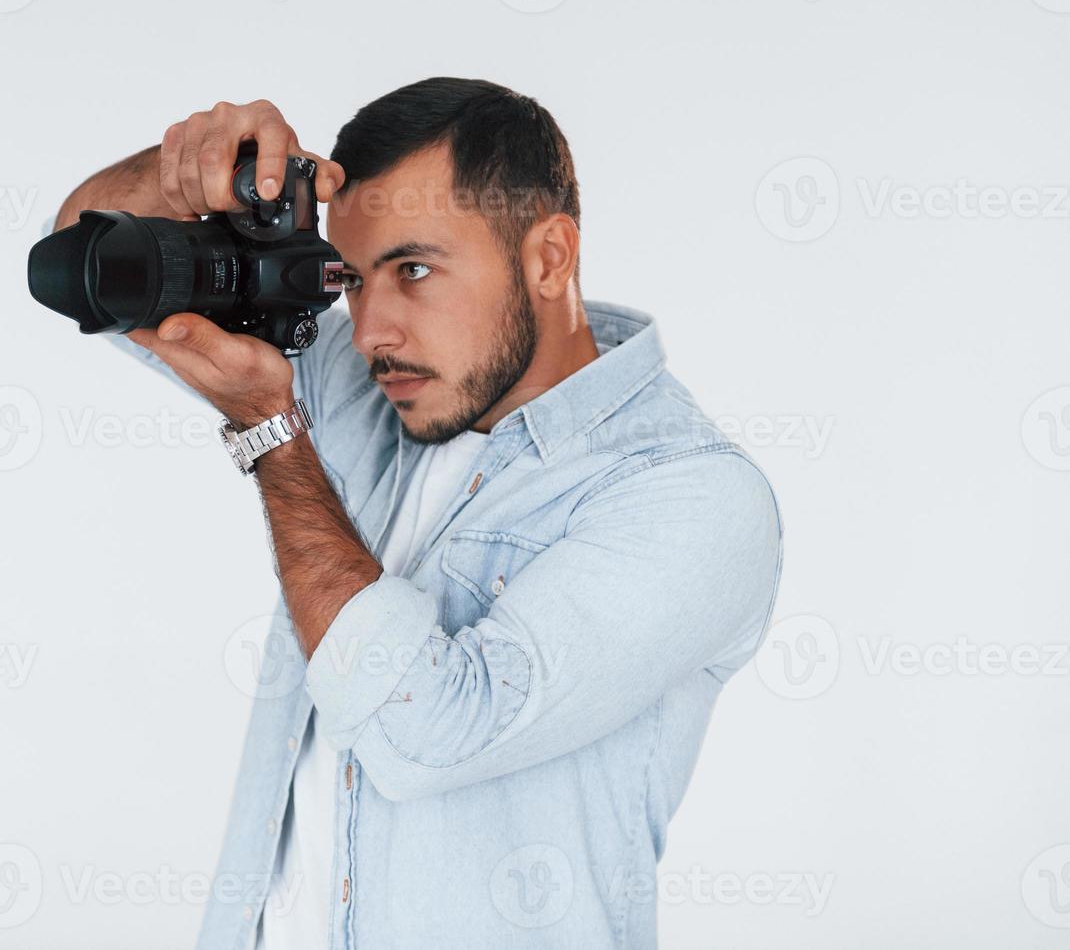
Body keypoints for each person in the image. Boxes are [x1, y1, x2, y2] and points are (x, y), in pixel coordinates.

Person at [50, 77, 783, 950]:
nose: (368, 332)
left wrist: (274, 437)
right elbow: (80, 260)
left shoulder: (690, 496)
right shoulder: (356, 384)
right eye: (353, 280)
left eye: (415, 270)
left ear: (549, 257)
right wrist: (188, 175)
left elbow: (426, 736)